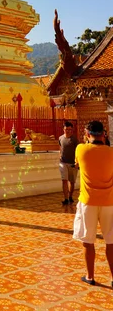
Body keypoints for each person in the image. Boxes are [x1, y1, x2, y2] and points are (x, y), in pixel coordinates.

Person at [73, 120, 113, 286]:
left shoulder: (81, 149)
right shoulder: (111, 152)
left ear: (87, 134)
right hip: (109, 201)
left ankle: (90, 276)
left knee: (88, 241)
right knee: (111, 241)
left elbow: (76, 165)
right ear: (104, 135)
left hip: (88, 202)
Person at [59, 121, 79, 205]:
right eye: (66, 129)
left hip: (72, 163)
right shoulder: (60, 138)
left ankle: (70, 196)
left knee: (72, 182)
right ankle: (66, 198)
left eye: (70, 129)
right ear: (63, 129)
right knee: (64, 180)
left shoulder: (74, 139)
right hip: (63, 162)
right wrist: (59, 155)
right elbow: (60, 147)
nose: (68, 131)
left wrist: (77, 162)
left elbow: (78, 151)